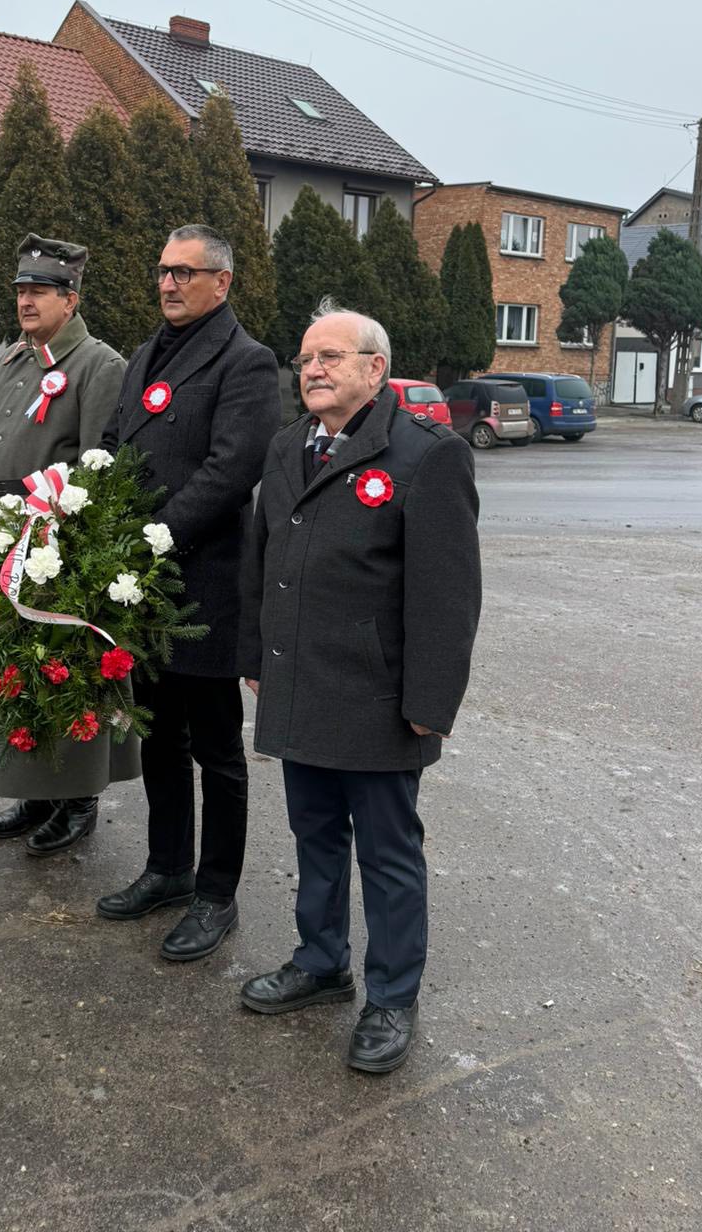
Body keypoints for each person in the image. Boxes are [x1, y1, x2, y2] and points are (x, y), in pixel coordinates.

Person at [238, 298, 480, 1073]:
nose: (311, 368)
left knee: (387, 854)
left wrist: (429, 708)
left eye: (330, 357)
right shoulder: (286, 448)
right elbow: (261, 561)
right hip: (300, 685)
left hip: (378, 701)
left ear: (374, 370)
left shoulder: (424, 455)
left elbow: (448, 598)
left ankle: (392, 996)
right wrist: (254, 655)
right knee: (314, 839)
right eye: (306, 357)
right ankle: (320, 962)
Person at [94, 225, 281, 961]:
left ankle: (215, 894)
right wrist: (85, 514)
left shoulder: (248, 363)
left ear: (222, 282)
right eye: (162, 270)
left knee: (215, 752)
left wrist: (153, 538)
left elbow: (232, 470)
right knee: (157, 740)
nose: (168, 284)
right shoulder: (144, 355)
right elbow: (111, 443)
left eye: (183, 272)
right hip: (141, 590)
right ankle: (168, 869)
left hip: (200, 592)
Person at [0, 233, 129, 856]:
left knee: (61, 668)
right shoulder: (11, 362)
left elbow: (97, 469)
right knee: (11, 670)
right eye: (20, 292)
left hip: (49, 547)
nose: (25, 302)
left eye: (39, 291)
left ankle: (77, 799)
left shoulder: (97, 365)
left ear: (72, 298)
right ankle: (37, 794)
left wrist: (82, 558)